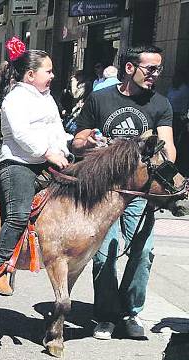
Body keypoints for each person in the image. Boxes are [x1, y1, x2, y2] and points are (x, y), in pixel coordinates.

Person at [72, 45, 175, 340]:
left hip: (140, 194)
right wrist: (87, 143)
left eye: (159, 69)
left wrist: (154, 145)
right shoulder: (100, 99)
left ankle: (130, 312)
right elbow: (78, 140)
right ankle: (105, 315)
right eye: (150, 69)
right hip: (105, 191)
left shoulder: (160, 105)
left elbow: (170, 150)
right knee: (105, 254)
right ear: (130, 68)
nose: (155, 75)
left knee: (142, 254)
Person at [0, 37, 71, 296]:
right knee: (18, 215)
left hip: (48, 161)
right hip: (19, 164)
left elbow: (57, 128)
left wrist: (63, 151)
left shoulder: (47, 99)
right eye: (48, 71)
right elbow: (22, 134)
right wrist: (47, 152)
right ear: (31, 74)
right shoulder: (15, 99)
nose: (52, 75)